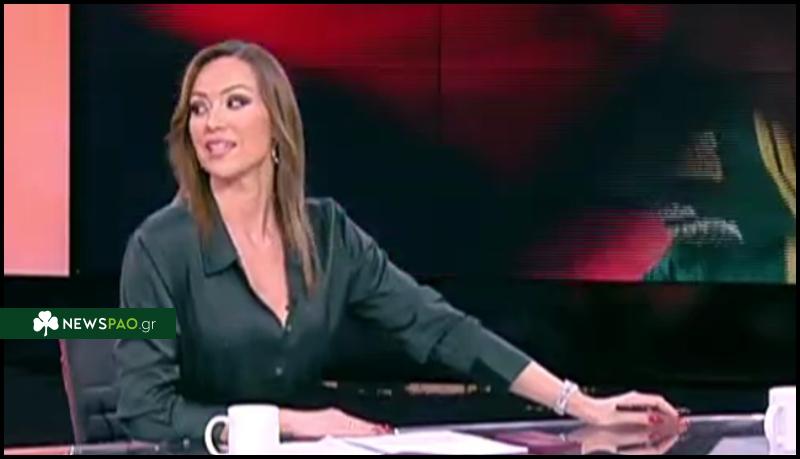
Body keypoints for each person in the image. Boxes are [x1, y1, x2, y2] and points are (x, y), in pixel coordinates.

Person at [114, 40, 681, 443]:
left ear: (278, 126)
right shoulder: (159, 249)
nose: (211, 121)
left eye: (235, 101)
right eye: (199, 107)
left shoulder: (327, 233)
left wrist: (579, 403)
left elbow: (441, 329)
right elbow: (143, 408)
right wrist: (287, 422)